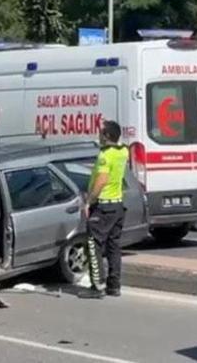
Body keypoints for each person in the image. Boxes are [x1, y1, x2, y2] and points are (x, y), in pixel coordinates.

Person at [79, 121, 129, 299]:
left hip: (103, 206)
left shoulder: (105, 156)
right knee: (114, 246)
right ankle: (114, 286)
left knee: (94, 245)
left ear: (107, 136)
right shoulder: (123, 151)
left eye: (101, 133)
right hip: (117, 205)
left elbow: (101, 180)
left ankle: (97, 286)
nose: (98, 136)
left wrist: (88, 202)